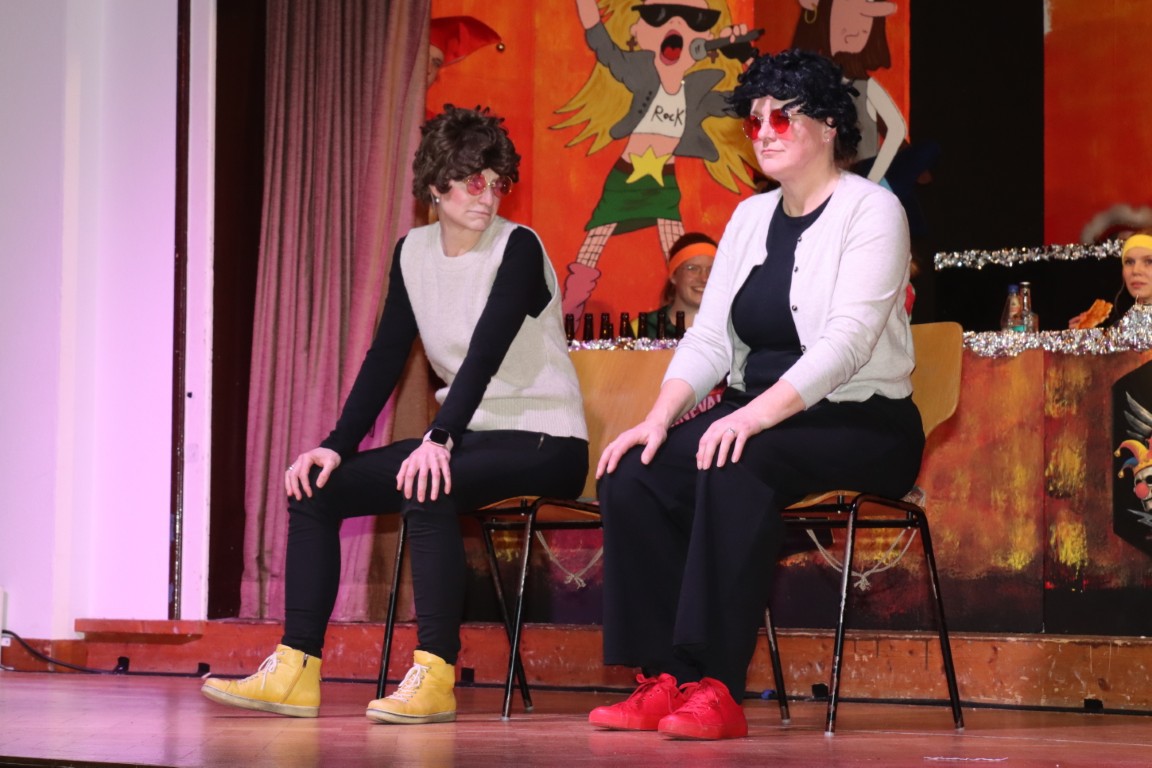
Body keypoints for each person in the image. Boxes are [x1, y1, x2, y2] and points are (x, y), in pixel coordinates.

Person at [201, 106, 589, 724]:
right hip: (465, 437)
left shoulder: (517, 247)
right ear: (436, 184)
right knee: (317, 488)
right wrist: (334, 445)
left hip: (545, 438)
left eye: (497, 182)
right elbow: (386, 357)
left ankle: (435, 675)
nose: (487, 195)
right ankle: (296, 669)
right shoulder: (412, 253)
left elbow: (485, 352)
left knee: (427, 478)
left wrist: (439, 437)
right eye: (473, 180)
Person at [588, 49, 921, 741]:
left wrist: (753, 416)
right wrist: (658, 419)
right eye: (756, 119)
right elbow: (710, 339)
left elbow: (848, 342)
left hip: (862, 421)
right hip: (760, 417)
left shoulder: (872, 211)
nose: (764, 131)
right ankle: (664, 677)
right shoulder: (747, 218)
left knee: (735, 461)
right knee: (633, 471)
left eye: (783, 118)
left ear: (829, 125)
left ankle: (716, 686)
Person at [637, 232, 717, 338]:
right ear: (673, 276)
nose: (704, 278)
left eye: (711, 269)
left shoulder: (731, 329)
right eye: (692, 268)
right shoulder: (643, 329)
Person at [1069, 233, 1152, 329]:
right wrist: (1082, 335)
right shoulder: (1118, 326)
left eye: (1149, 261)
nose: (1135, 270)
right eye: (1129, 262)